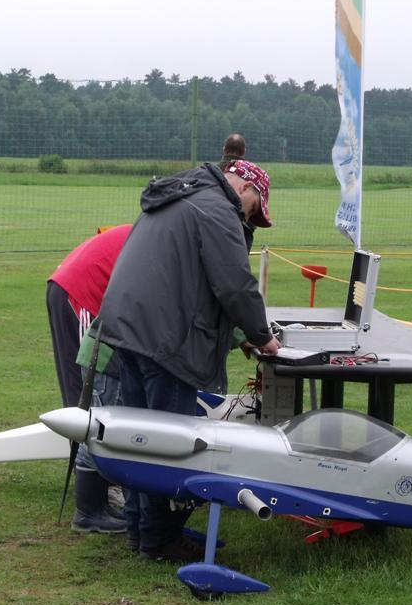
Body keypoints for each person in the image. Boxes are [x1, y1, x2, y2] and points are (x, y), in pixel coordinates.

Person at [97, 159, 281, 561]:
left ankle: (140, 529)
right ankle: (160, 540)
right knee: (168, 443)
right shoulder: (217, 209)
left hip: (129, 328)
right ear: (246, 189)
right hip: (166, 340)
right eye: (253, 210)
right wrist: (262, 337)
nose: (248, 219)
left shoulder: (180, 195)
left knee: (138, 439)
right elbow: (235, 284)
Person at [46, 224, 132, 533]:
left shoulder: (159, 231)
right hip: (81, 291)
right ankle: (92, 503)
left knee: (89, 394)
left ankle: (101, 485)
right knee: (91, 396)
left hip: (72, 283)